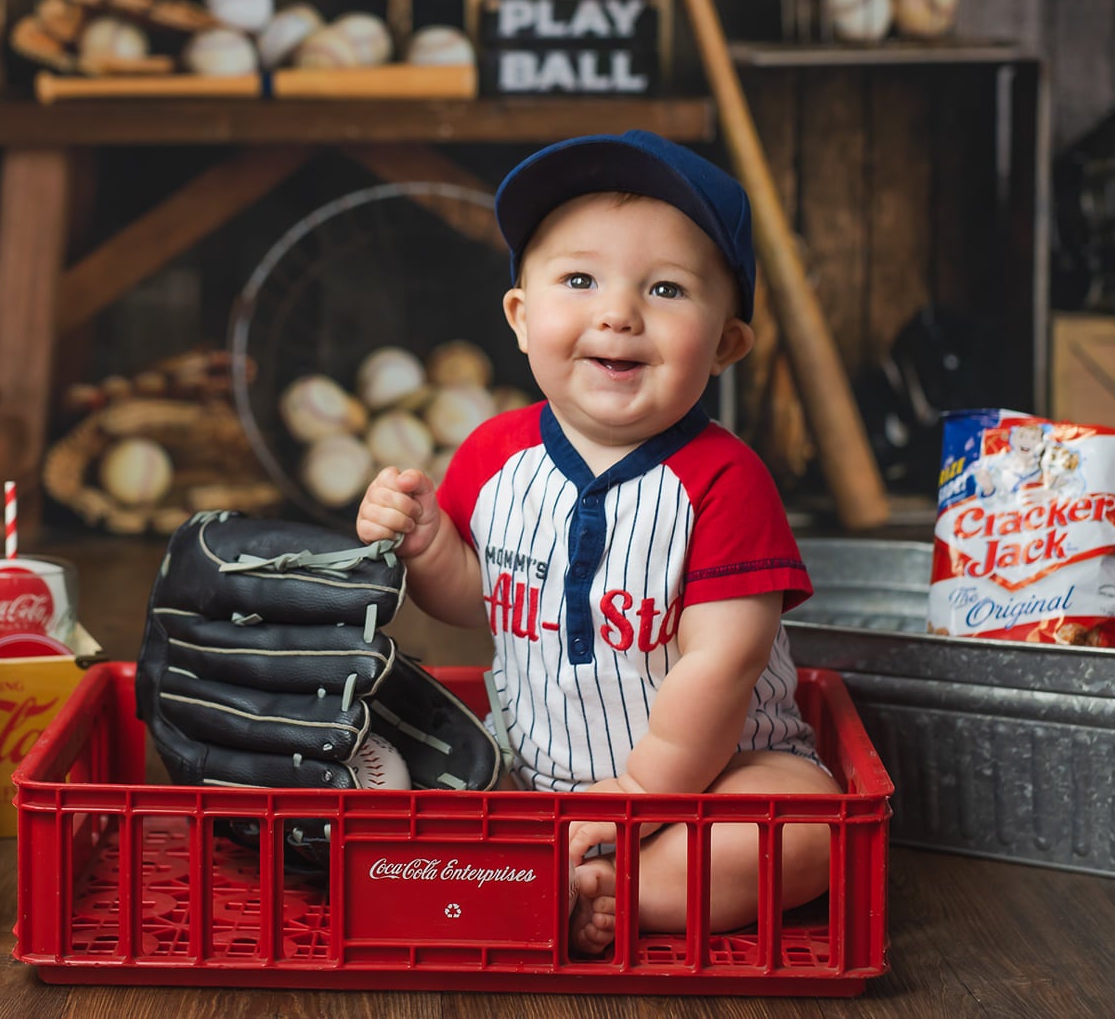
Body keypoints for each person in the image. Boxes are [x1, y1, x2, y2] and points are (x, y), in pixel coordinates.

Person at [355, 130, 835, 955]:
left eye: (666, 288)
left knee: (805, 824)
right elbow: (476, 599)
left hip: (714, 777)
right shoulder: (494, 456)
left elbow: (723, 661)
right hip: (532, 775)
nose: (618, 312)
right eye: (579, 280)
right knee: (424, 786)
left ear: (726, 343)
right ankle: (552, 874)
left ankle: (624, 888)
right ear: (521, 317)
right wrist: (429, 546)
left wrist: (643, 790)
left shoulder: (725, 480)